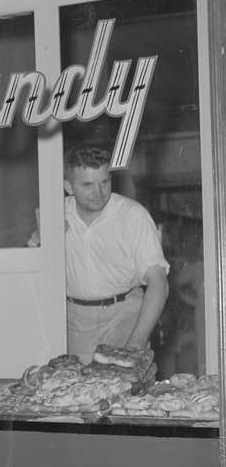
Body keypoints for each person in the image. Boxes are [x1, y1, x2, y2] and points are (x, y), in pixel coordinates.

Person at [61, 146, 169, 363]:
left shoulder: (132, 215)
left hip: (124, 313)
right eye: (88, 185)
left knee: (124, 387)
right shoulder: (56, 215)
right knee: (75, 391)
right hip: (74, 320)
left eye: (104, 182)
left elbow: (159, 283)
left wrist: (137, 340)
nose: (99, 193)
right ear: (68, 187)